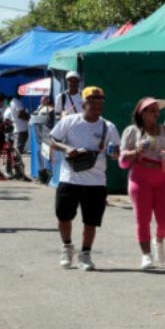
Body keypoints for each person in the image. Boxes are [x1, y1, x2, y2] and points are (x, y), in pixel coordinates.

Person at [49, 86, 119, 270]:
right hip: (69, 178)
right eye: (93, 102)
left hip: (96, 182)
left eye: (100, 103)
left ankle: (85, 254)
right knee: (64, 217)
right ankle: (67, 247)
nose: (97, 106)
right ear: (83, 103)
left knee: (90, 222)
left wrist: (115, 153)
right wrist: (67, 149)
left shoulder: (108, 126)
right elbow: (51, 139)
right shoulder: (70, 121)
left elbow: (116, 151)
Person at [119, 98, 165, 270]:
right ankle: (146, 255)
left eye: (156, 110)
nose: (156, 113)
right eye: (151, 110)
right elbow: (122, 162)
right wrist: (135, 151)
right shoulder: (131, 131)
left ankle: (159, 240)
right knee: (143, 219)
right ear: (142, 113)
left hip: (162, 177)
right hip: (140, 177)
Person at [8, 94, 30, 173]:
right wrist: (30, 118)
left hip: (20, 129)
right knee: (18, 152)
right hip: (20, 129)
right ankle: (18, 171)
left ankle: (17, 170)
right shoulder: (16, 101)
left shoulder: (14, 101)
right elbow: (21, 114)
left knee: (18, 151)